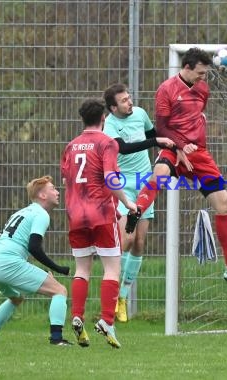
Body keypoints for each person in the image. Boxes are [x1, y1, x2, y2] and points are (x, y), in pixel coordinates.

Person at [126, 47, 227, 287]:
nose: (203, 77)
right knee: (161, 173)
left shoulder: (203, 90)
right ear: (186, 68)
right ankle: (136, 211)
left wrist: (192, 144)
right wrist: (178, 147)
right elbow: (162, 127)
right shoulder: (166, 89)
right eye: (200, 72)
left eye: (205, 73)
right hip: (173, 147)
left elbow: (196, 117)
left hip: (198, 153)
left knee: (224, 205)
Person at [61, 98, 137, 349]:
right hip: (101, 214)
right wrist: (126, 203)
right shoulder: (107, 143)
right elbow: (110, 178)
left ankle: (77, 315)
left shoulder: (71, 146)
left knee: (82, 270)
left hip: (76, 215)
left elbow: (67, 183)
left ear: (82, 119)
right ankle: (107, 321)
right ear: (104, 118)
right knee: (111, 269)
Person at [103, 83, 174, 323]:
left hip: (146, 183)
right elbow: (122, 148)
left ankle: (122, 298)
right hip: (123, 186)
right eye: (123, 101)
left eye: (129, 98)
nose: (129, 102)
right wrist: (154, 143)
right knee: (127, 239)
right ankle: (110, 294)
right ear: (113, 108)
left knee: (140, 242)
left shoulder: (140, 114)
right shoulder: (111, 125)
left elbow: (154, 135)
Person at [0, 176, 71, 346]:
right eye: (53, 189)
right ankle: (57, 339)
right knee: (59, 291)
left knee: (16, 299)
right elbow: (34, 247)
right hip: (8, 263)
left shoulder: (22, 212)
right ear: (42, 195)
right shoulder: (41, 214)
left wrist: (43, 270)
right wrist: (57, 268)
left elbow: (22, 247)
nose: (58, 192)